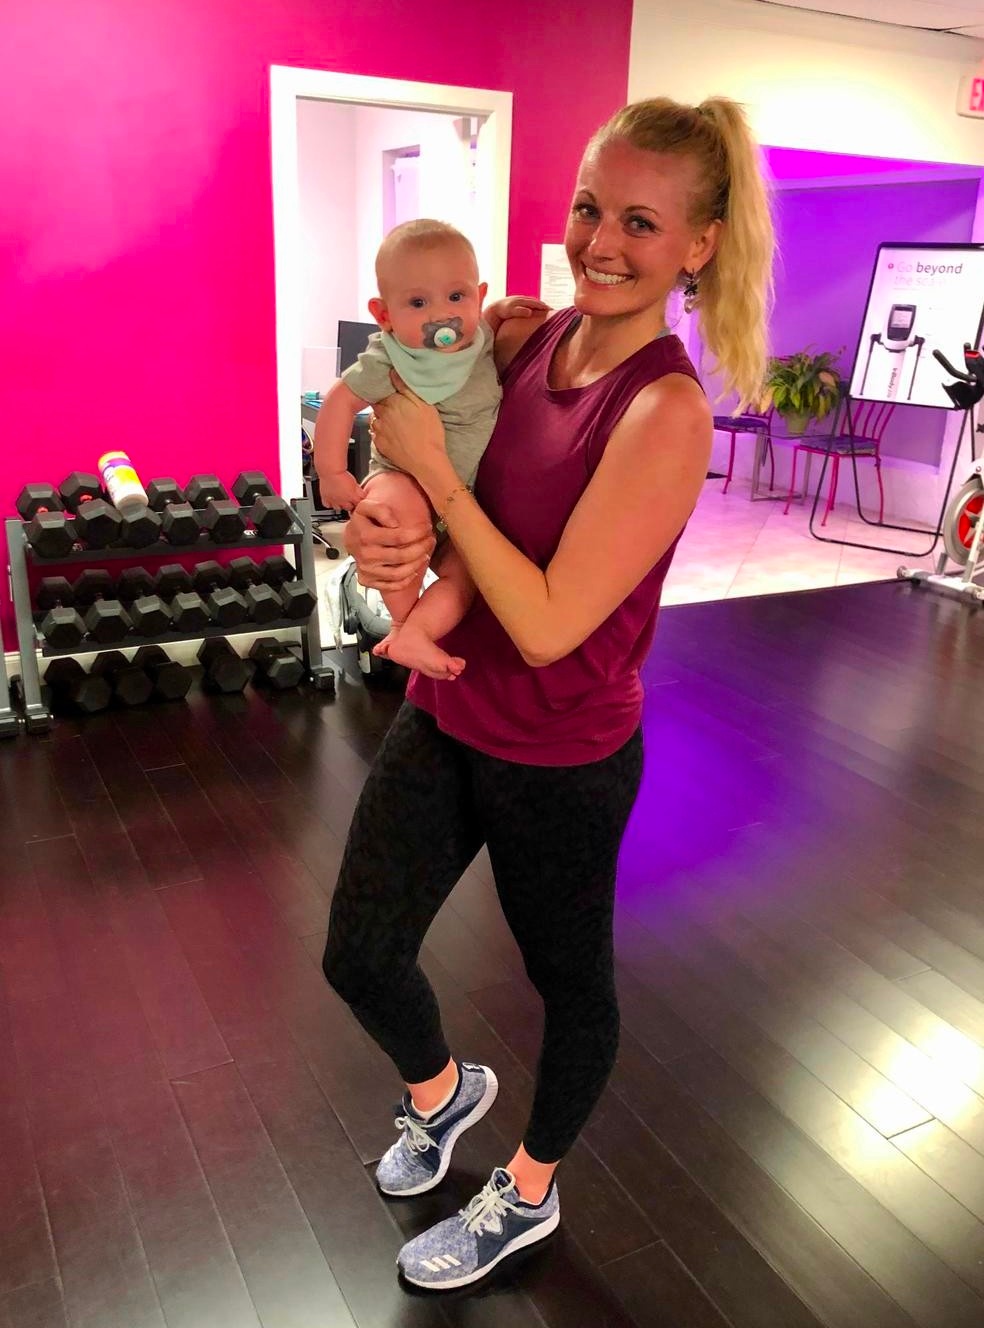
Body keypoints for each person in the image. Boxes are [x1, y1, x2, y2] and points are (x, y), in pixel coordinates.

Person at [322, 95, 774, 1292]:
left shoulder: (667, 410)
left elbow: (549, 616)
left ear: (700, 244)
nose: (600, 242)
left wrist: (432, 481)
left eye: (640, 221)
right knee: (359, 951)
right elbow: (463, 499)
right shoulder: (528, 336)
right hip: (451, 708)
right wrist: (389, 526)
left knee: (570, 986)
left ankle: (527, 1189)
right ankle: (441, 1091)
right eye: (588, 207)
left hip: (564, 751)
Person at [313, 218, 544, 679]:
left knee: (467, 575)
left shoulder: (479, 339)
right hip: (400, 476)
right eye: (418, 303)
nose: (442, 315)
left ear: (478, 295)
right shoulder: (388, 359)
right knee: (398, 525)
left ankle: (415, 633)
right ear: (384, 315)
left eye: (456, 297)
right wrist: (332, 472)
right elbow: (339, 402)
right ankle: (401, 619)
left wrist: (496, 313)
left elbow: (482, 325)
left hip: (462, 494)